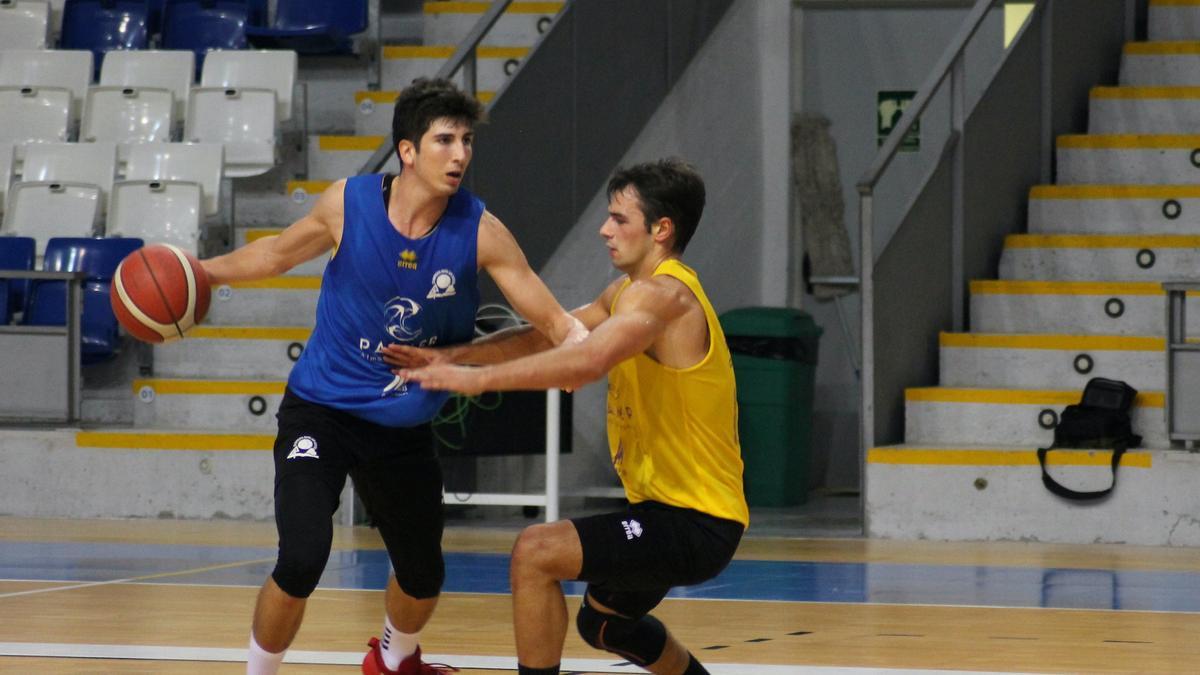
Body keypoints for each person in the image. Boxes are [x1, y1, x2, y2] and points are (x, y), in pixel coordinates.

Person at [200, 77, 587, 675]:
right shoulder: (347, 204)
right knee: (302, 557)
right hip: (321, 412)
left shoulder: (480, 231)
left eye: (465, 141)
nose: (459, 154)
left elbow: (551, 316)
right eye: (444, 140)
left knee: (424, 574)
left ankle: (394, 659)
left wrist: (579, 350)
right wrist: (204, 273)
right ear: (407, 150)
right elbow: (276, 252)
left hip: (400, 431)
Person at [387, 158, 748, 675]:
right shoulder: (625, 294)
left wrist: (475, 381)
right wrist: (452, 356)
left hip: (694, 522)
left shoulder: (665, 296)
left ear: (661, 230)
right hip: (663, 512)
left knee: (535, 552)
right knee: (605, 626)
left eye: (620, 219)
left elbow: (590, 359)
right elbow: (546, 336)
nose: (605, 229)